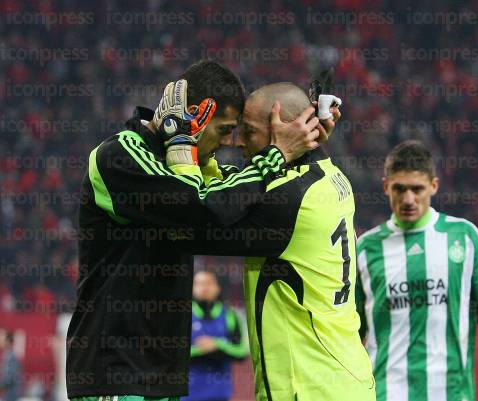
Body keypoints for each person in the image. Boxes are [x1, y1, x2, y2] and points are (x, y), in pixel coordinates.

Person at [66, 61, 321, 401]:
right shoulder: (119, 157)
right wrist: (276, 155)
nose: (226, 143)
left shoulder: (190, 167)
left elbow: (239, 196)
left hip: (162, 377)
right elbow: (200, 209)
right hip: (115, 375)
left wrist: (303, 144)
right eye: (223, 129)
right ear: (195, 116)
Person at [179, 82, 374, 401]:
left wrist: (186, 152)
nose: (238, 141)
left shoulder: (287, 201)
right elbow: (244, 186)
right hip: (344, 378)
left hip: (308, 387)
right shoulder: (328, 175)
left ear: (285, 131)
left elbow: (199, 217)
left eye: (250, 131)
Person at [355, 140, 478, 401]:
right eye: (399, 189)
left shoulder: (465, 238)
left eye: (417, 189)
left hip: (451, 393)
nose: (408, 199)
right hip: (384, 393)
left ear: (434, 186)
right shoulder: (365, 249)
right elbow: (349, 328)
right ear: (386, 186)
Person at [183, 271, 248, 401]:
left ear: (218, 288)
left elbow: (242, 351)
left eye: (208, 283)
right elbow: (170, 354)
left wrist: (217, 344)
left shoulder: (230, 316)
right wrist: (200, 349)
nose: (204, 288)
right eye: (198, 283)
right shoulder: (182, 316)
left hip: (220, 394)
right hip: (186, 395)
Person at [0, 330, 21, 401]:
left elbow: (9, 378)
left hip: (11, 395)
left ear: (8, 341)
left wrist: (1, 386)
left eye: (2, 338)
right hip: (8, 394)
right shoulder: (7, 355)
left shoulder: (11, 357)